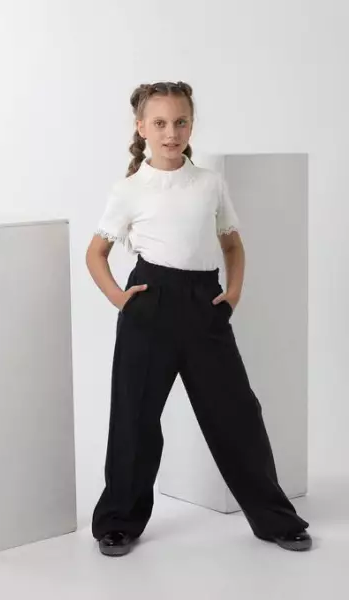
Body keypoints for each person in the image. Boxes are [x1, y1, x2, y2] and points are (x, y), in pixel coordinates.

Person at [85, 80, 312, 557]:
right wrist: (120, 299)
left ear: (191, 125)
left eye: (181, 122)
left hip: (203, 304)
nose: (171, 132)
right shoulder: (129, 190)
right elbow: (96, 253)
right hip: (149, 303)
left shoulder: (209, 183)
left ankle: (275, 519)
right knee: (134, 417)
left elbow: (232, 243)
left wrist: (233, 294)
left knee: (237, 414)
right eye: (160, 123)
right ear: (142, 127)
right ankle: (118, 522)